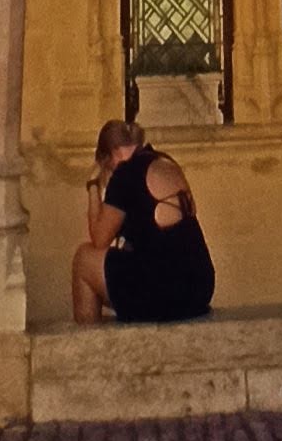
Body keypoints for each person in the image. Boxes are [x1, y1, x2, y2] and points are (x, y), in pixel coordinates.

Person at [69, 117, 215, 325]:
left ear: (110, 155)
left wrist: (94, 185)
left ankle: (90, 341)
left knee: (83, 259)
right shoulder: (164, 161)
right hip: (199, 286)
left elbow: (99, 239)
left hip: (167, 290)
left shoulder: (125, 173)